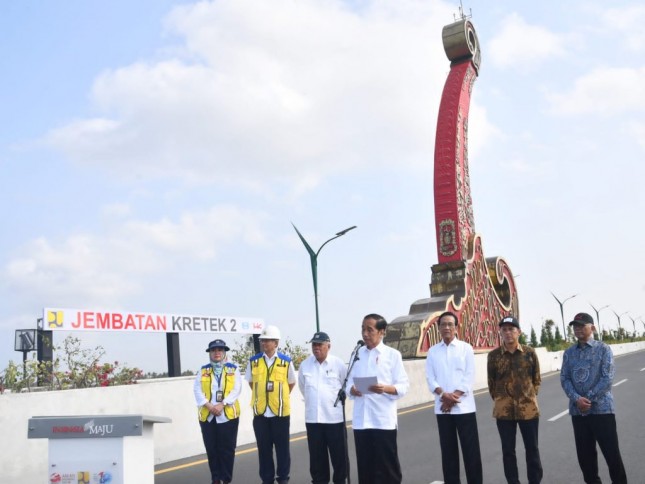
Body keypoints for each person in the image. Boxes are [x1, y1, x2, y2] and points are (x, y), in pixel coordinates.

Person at [560, 312, 627, 484]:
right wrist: (577, 399)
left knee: (612, 456)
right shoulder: (569, 353)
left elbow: (607, 378)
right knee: (586, 460)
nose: (578, 329)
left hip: (602, 411)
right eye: (575, 326)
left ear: (593, 327)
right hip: (578, 413)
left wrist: (587, 400)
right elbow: (565, 378)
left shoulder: (603, 349)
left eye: (582, 325)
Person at [348, 313, 409, 484]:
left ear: (382, 331)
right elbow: (347, 384)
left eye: (370, 330)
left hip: (382, 421)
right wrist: (352, 389)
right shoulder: (357, 354)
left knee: (388, 469)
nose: (365, 333)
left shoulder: (392, 355)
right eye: (363, 329)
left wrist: (386, 388)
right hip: (361, 421)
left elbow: (403, 386)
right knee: (365, 469)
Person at [425, 311, 482, 484]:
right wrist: (443, 395)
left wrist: (452, 398)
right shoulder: (433, 352)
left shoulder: (466, 348)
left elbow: (469, 376)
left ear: (456, 328)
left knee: (471, 452)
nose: (447, 327)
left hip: (464, 408)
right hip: (443, 411)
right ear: (439, 328)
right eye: (443, 324)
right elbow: (430, 378)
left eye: (450, 324)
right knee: (448, 454)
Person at [487, 316, 543, 484]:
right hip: (503, 412)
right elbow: (491, 383)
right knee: (508, 451)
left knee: (532, 449)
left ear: (519, 332)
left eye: (511, 329)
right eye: (504, 329)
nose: (508, 333)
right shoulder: (494, 356)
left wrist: (529, 397)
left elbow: (537, 379)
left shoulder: (529, 352)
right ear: (500, 333)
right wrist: (501, 399)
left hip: (528, 411)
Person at [245, 325, 296, 484]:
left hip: (280, 413)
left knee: (282, 450)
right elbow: (251, 383)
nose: (264, 343)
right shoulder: (253, 362)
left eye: (267, 340)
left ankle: (283, 479)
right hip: (260, 414)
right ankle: (267, 479)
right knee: (264, 451)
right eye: (262, 340)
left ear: (276, 343)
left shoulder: (286, 362)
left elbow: (291, 383)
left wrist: (276, 398)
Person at [298, 331, 348, 484]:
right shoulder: (305, 365)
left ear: (329, 346)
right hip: (313, 421)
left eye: (319, 344)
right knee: (317, 461)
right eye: (314, 344)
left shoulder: (338, 364)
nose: (316, 347)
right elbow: (302, 387)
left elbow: (346, 385)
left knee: (339, 458)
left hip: (335, 420)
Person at [193, 339, 241, 484]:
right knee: (212, 450)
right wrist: (209, 406)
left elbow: (236, 389)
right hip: (208, 417)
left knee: (227, 450)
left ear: (224, 352)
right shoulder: (203, 370)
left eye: (220, 350)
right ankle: (215, 479)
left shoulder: (233, 369)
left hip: (228, 415)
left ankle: (226, 479)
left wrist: (222, 404)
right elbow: (197, 390)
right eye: (214, 350)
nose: (217, 353)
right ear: (210, 353)